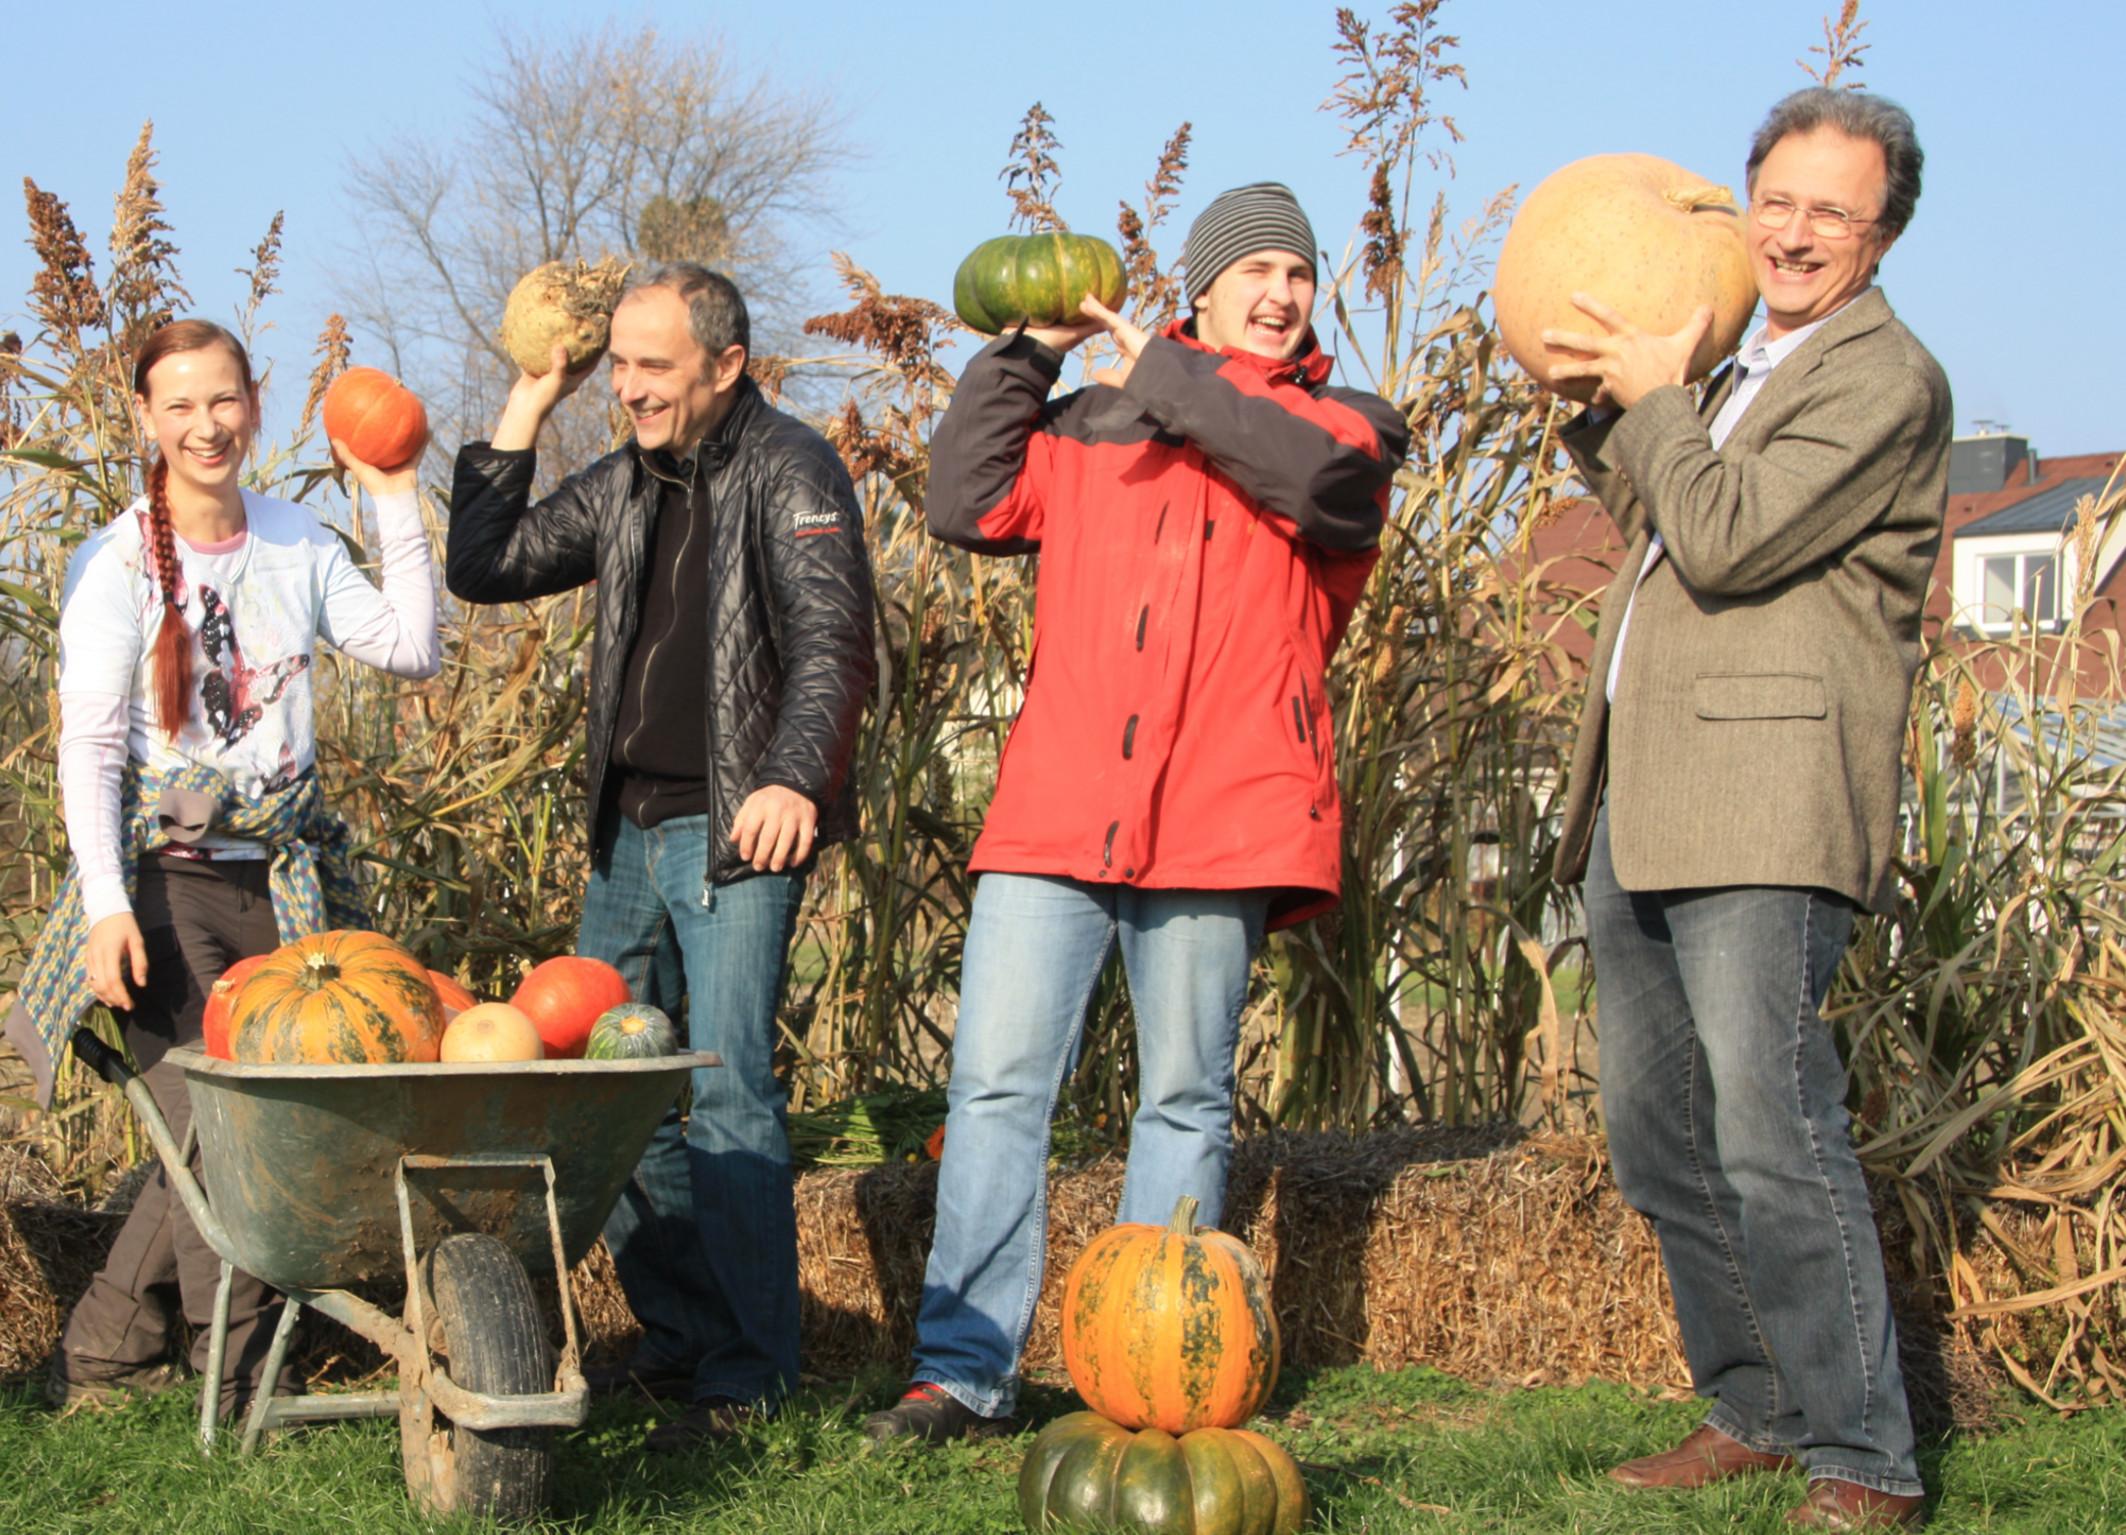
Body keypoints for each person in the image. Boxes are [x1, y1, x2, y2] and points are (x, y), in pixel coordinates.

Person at [864, 183, 1409, 1445]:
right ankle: (964, 1372)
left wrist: (1161, 371)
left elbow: (1308, 483)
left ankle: (1154, 1368)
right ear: (1201, 285)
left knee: (1182, 1098)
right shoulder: (1097, 423)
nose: (1279, 293)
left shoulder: (1342, 428)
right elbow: (965, 500)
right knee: (998, 1085)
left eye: (1298, 272)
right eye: (1254, 270)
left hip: (1225, 811)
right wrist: (1024, 355)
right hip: (1060, 807)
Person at [1537, 88, 1947, 1529]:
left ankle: (1864, 1453)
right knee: (1660, 1133)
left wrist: (1654, 400)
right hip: (1642, 791)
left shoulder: (1880, 379)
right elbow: (1655, 503)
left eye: (1831, 210)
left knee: (1773, 1125)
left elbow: (1719, 533)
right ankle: (1756, 1404)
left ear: (1879, 232)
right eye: (1775, 198)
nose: (1793, 231)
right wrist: (1598, 400)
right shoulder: (1724, 361)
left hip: (1766, 802)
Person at [446, 262, 875, 1451]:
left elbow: (835, 639)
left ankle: (750, 1375)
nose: (627, 387)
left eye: (651, 366)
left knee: (728, 1091)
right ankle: (682, 1336)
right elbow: (485, 564)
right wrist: (532, 398)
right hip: (626, 830)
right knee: (602, 1096)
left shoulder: (791, 468)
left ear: (725, 366)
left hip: (731, 829)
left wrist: (793, 775)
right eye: (618, 363)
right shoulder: (631, 478)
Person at [4, 318, 438, 1414]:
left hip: (280, 878)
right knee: (216, 1124)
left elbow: (411, 648)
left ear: (254, 401)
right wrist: (106, 907)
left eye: (224, 400)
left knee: (224, 1128)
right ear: (147, 418)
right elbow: (91, 746)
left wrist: (388, 490)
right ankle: (233, 1377)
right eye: (181, 405)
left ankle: (104, 1346)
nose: (206, 424)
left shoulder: (296, 541)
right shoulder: (112, 564)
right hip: (166, 879)